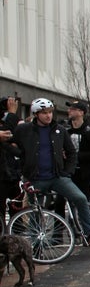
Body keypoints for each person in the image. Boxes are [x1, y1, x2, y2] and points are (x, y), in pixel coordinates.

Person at [10, 98, 90, 246]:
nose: (48, 116)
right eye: (44, 113)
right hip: (35, 178)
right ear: (36, 114)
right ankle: (37, 245)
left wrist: (67, 172)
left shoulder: (59, 130)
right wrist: (22, 155)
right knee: (36, 210)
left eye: (50, 112)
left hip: (57, 177)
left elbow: (71, 153)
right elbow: (9, 143)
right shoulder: (24, 130)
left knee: (80, 198)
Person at [64, 101, 90, 199]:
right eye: (69, 109)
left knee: (82, 200)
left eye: (73, 109)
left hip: (84, 173)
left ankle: (84, 214)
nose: (69, 111)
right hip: (67, 172)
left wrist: (75, 155)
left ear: (81, 112)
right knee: (61, 200)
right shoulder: (65, 130)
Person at [0, 96, 22, 232]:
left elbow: (10, 137)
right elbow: (7, 134)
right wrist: (12, 114)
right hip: (3, 174)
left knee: (17, 206)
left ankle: (17, 234)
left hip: (12, 171)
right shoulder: (9, 120)